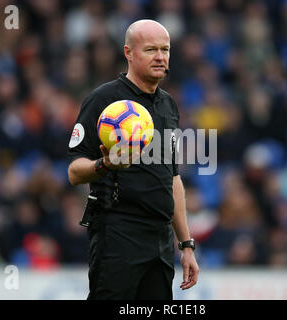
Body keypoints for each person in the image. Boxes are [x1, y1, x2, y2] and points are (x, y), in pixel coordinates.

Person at [67, 19, 199, 300]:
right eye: (151, 49)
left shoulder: (169, 105)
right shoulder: (103, 99)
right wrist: (105, 165)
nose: (161, 57)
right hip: (117, 234)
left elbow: (172, 178)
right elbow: (74, 172)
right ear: (129, 52)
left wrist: (186, 244)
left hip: (161, 241)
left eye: (165, 49)